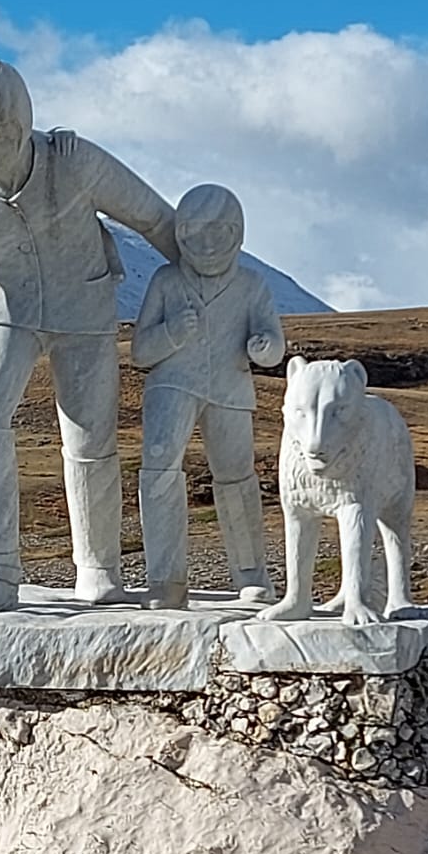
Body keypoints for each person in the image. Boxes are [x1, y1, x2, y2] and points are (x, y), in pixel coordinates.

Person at [0, 58, 179, 615]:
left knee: (90, 439)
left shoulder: (74, 160)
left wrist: (209, 278)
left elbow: (154, 218)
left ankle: (99, 568)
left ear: (24, 125)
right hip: (2, 305)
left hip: (83, 306)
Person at [132, 184, 285, 609]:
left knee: (237, 477)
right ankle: (165, 579)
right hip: (172, 383)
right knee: (160, 467)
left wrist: (264, 348)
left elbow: (274, 341)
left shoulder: (251, 284)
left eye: (220, 232)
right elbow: (141, 352)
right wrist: (171, 332)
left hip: (230, 388)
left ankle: (251, 575)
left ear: (238, 234)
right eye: (195, 234)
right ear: (181, 235)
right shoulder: (167, 280)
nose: (208, 245)